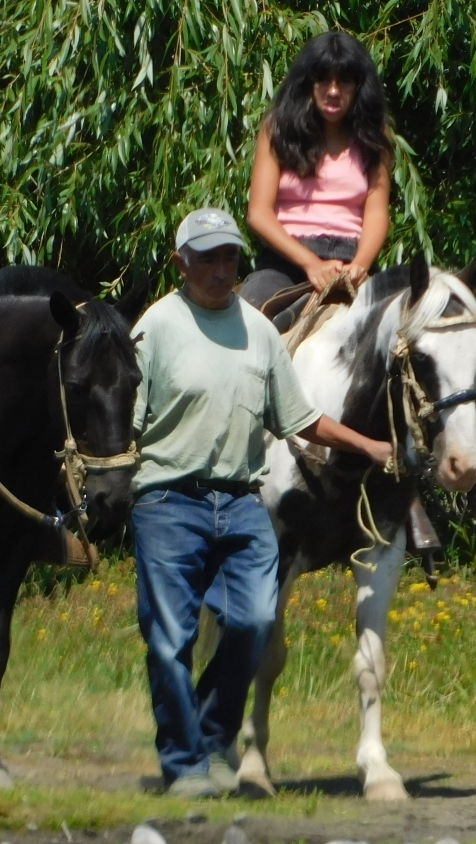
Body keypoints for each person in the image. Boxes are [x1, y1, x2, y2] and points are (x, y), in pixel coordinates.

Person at [130, 207, 394, 798]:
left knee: (252, 622)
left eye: (229, 257)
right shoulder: (156, 327)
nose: (222, 270)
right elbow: (123, 416)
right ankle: (186, 764)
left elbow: (302, 419)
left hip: (242, 502)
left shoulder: (258, 330)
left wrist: (371, 446)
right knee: (171, 639)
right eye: (207, 259)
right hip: (170, 500)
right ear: (181, 264)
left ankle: (211, 735)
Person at [239, 31, 393, 312]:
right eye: (323, 79)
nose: (333, 90)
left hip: (351, 259)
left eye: (344, 81)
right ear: (308, 83)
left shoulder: (375, 136)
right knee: (249, 319)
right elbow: (258, 214)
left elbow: (377, 212)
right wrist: (311, 264)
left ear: (358, 86)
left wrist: (360, 265)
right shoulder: (277, 129)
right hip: (285, 259)